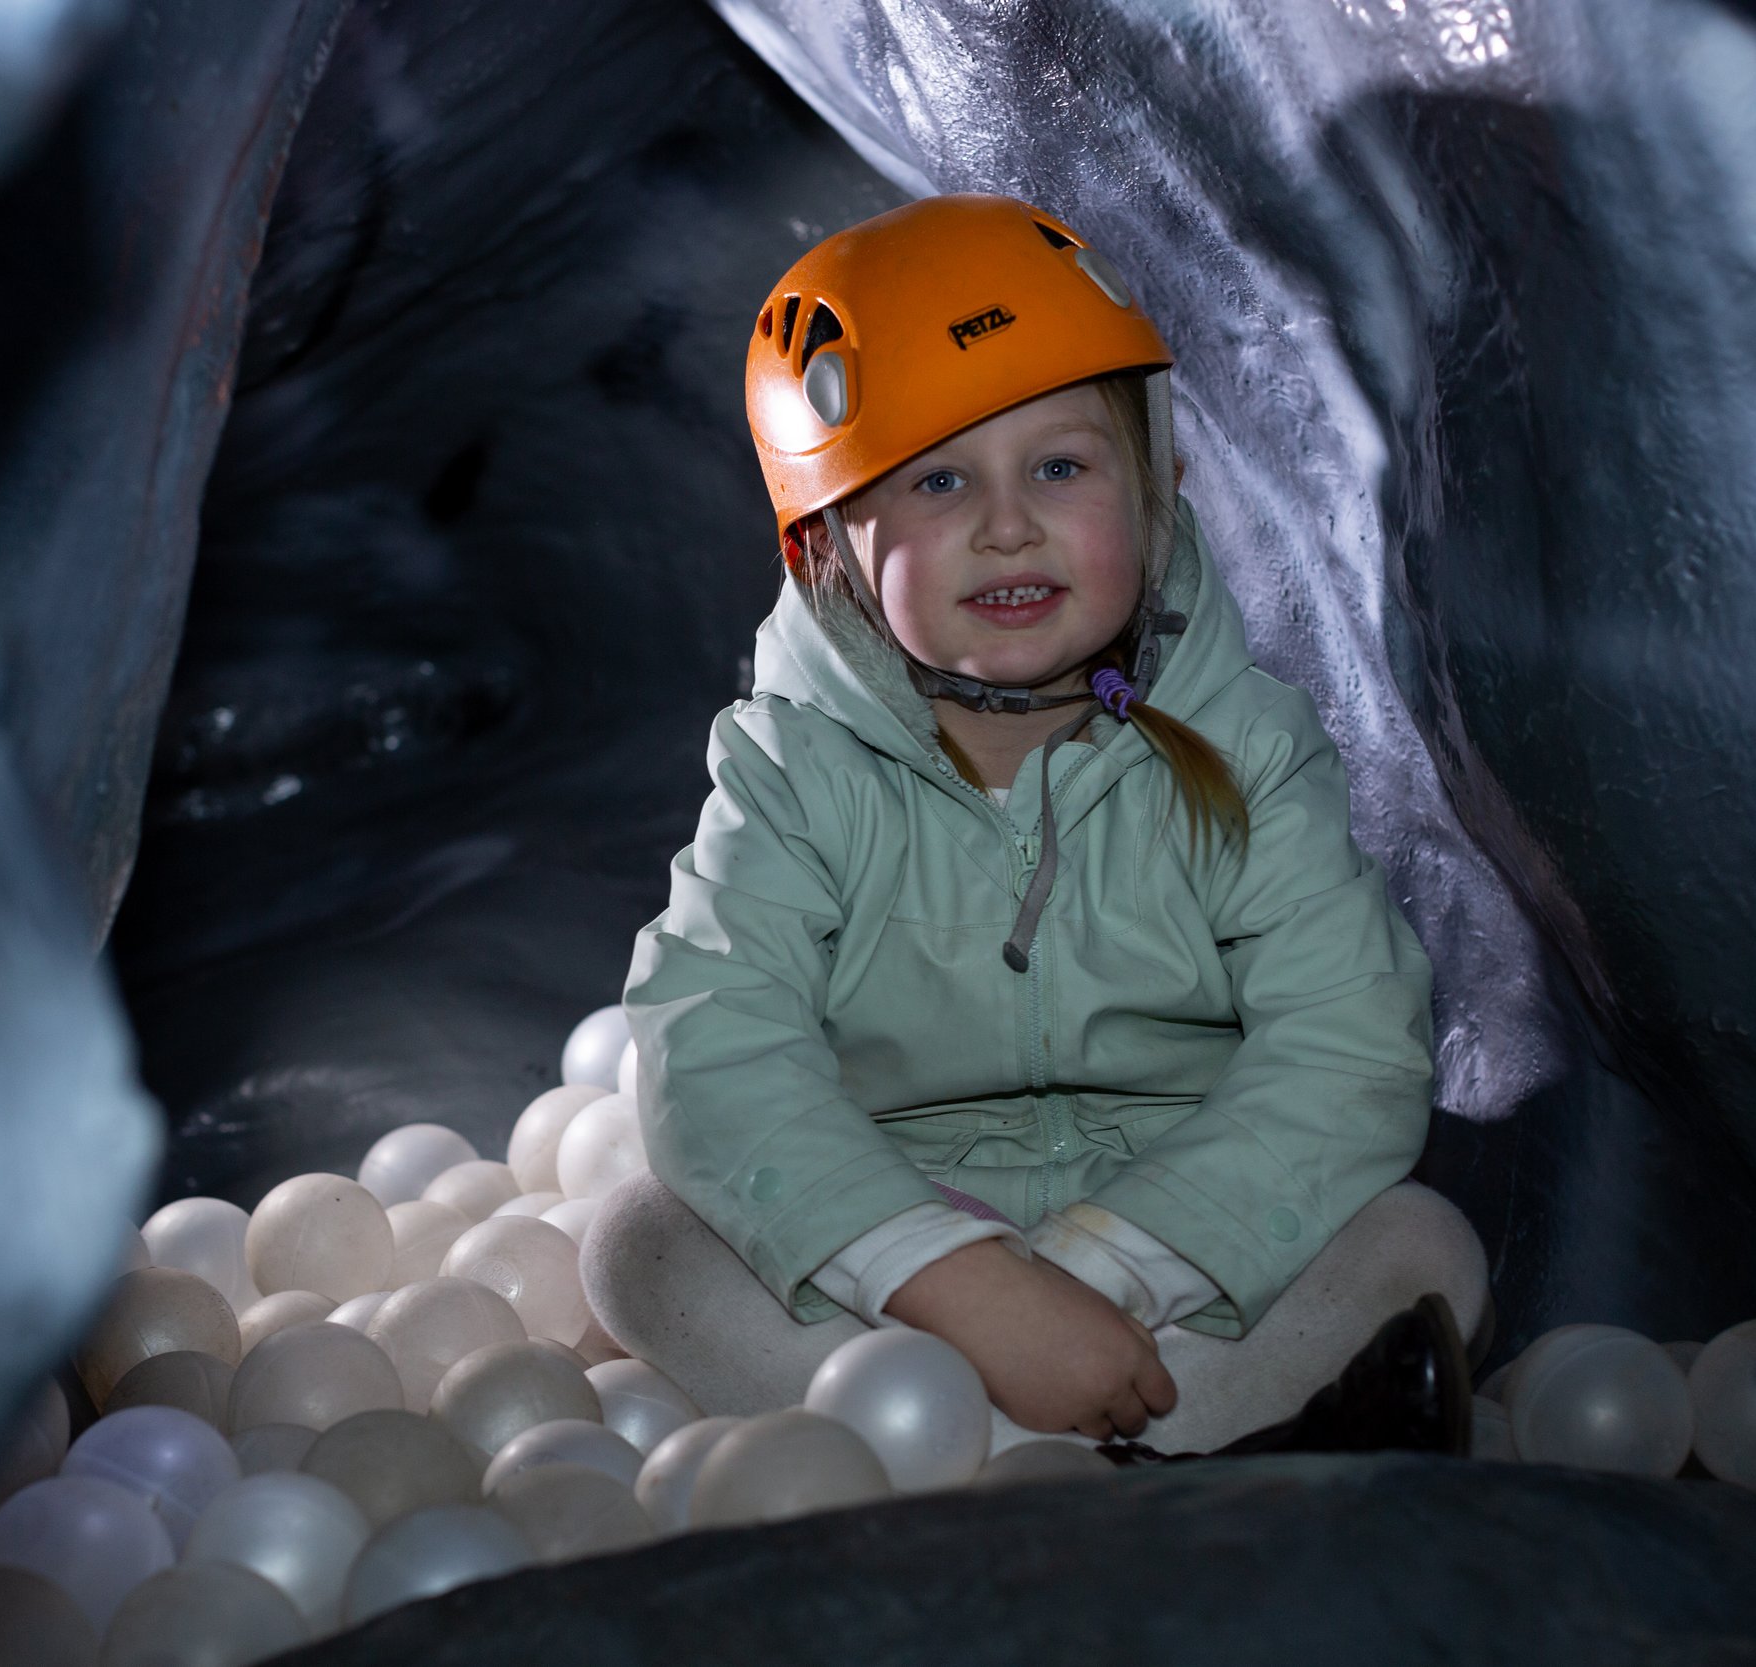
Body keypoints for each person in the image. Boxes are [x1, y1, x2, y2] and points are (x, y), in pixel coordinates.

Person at [582, 194, 1487, 1455]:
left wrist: (1109, 1271)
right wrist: (951, 1279)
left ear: (1157, 487)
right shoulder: (792, 767)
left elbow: (1348, 1039)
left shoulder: (1241, 744)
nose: (1006, 524)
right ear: (827, 548)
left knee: (1417, 1243)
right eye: (940, 478)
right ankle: (1176, 1463)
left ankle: (980, 1467)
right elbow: (715, 1040)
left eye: (1059, 466)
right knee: (642, 1247)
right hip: (899, 1229)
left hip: (1184, 1212)